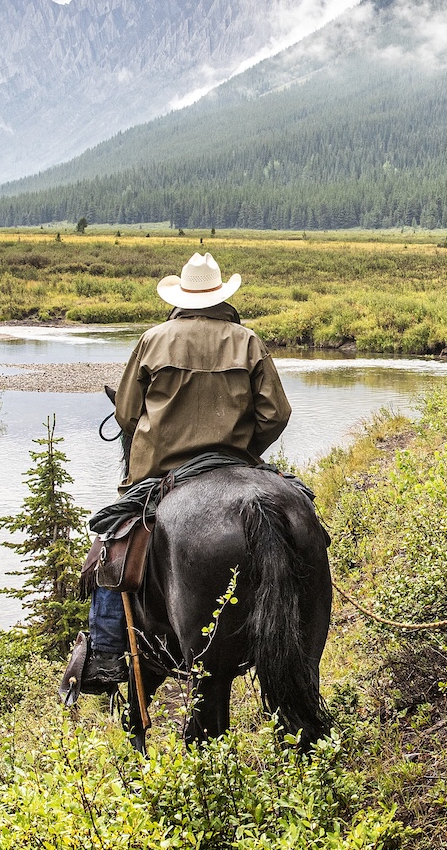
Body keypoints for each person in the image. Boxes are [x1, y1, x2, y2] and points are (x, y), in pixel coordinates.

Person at [63, 252, 292, 695]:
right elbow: (276, 414)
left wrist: (162, 442)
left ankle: (107, 655)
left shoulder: (153, 340)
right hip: (235, 463)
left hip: (163, 473)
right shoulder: (247, 341)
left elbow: (127, 413)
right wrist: (244, 450)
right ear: (221, 294)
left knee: (115, 543)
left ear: (182, 296)